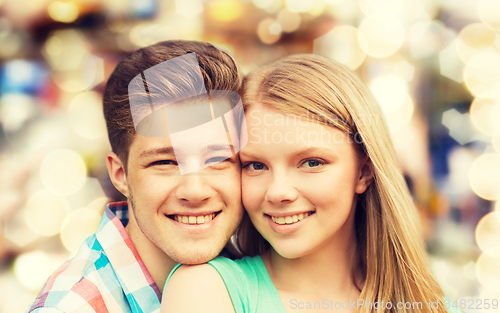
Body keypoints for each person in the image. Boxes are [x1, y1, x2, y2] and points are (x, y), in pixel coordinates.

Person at [162, 54, 451, 313]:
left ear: (363, 172)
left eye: (312, 163)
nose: (278, 192)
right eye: (256, 165)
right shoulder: (206, 290)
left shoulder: (429, 306)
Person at [28, 40, 245, 313]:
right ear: (120, 175)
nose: (195, 190)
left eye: (217, 159)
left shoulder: (252, 269)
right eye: (165, 162)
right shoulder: (74, 306)